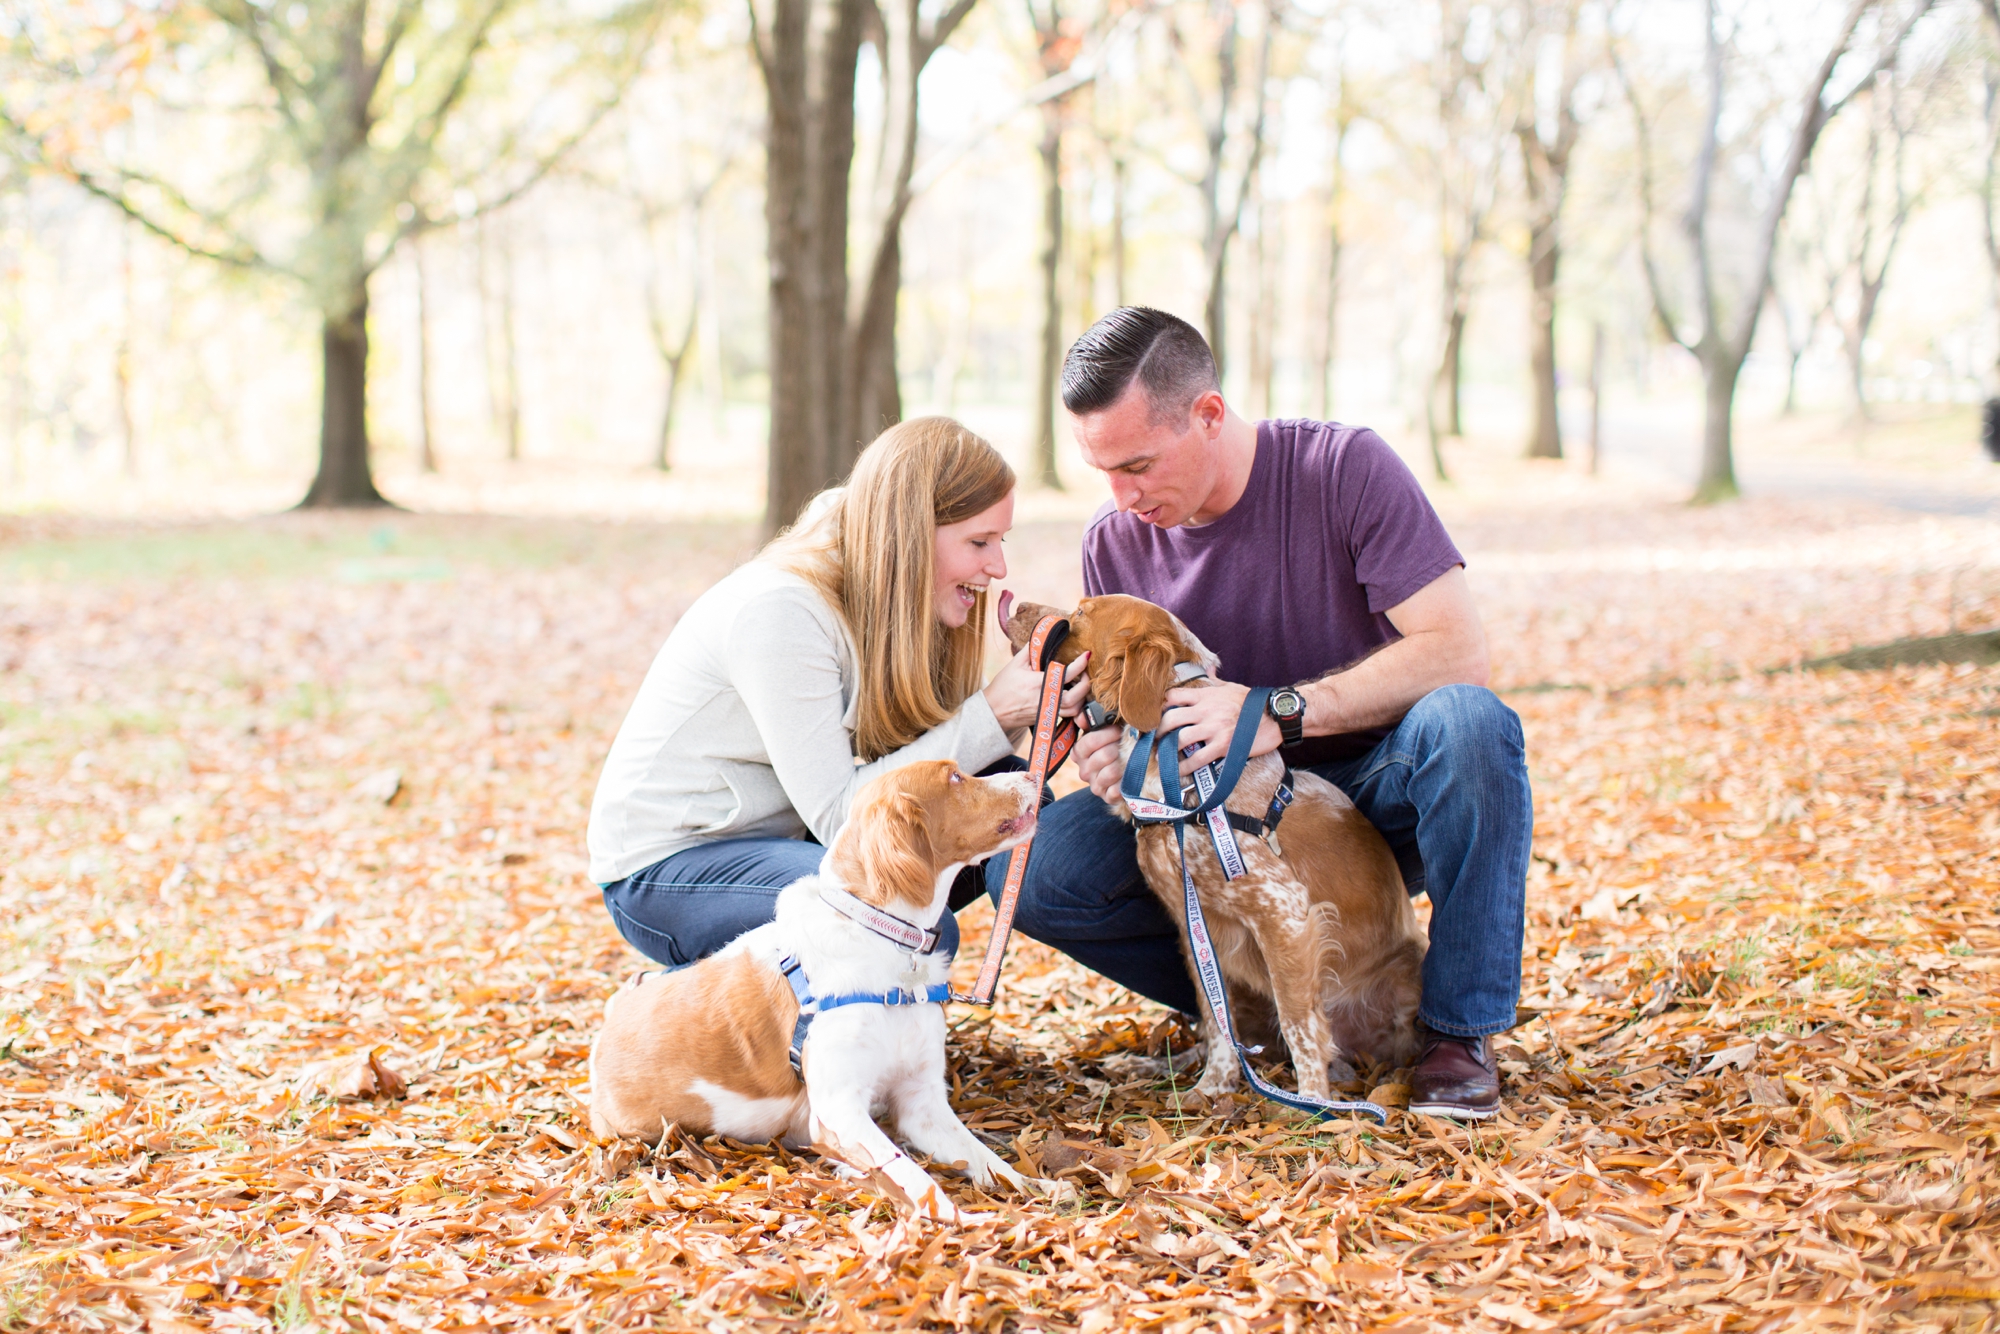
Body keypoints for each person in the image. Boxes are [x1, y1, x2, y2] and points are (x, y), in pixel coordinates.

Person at [985, 307, 1532, 1120]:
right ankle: (1259, 1002)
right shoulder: (1117, 539)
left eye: (1137, 464)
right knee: (1030, 869)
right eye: (1103, 470)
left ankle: (1457, 1029)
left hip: (1372, 800)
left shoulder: (1344, 468)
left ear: (1208, 414)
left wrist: (1278, 710)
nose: (1122, 496)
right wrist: (1108, 758)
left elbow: (1458, 651)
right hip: (1212, 811)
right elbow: (1118, 708)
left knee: (1472, 725)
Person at [589, 416, 1088, 968]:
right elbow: (841, 817)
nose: (998, 566)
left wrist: (1024, 711)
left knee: (1012, 799)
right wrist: (993, 712)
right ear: (912, 535)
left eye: (1001, 540)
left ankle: (826, 1007)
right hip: (669, 871)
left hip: (783, 840)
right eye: (979, 541)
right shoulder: (782, 610)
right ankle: (779, 1031)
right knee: (897, 928)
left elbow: (922, 766)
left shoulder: (896, 597)